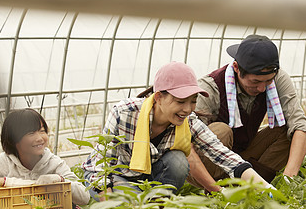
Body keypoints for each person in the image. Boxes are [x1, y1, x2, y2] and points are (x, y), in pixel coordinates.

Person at [82, 62, 274, 199]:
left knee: (178, 161)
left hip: (145, 179)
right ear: (158, 97)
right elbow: (101, 165)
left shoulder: (187, 121)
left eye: (193, 101)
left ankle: (158, 208)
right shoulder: (125, 113)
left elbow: (224, 156)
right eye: (180, 101)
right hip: (112, 178)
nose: (188, 109)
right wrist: (108, 202)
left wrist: (267, 189)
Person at [192, 34, 306, 185]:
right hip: (210, 162)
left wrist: (290, 178)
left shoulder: (277, 78)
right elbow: (187, 143)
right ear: (236, 68)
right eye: (255, 81)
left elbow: (300, 125)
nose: (262, 88)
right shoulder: (210, 88)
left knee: (289, 130)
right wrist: (213, 187)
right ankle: (217, 188)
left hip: (242, 153)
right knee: (221, 130)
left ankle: (251, 185)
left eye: (268, 81)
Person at [0, 109, 90, 206]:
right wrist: (5, 182)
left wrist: (61, 180)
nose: (40, 138)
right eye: (31, 133)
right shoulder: (3, 162)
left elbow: (84, 197)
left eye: (42, 131)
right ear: (14, 139)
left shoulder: (54, 163)